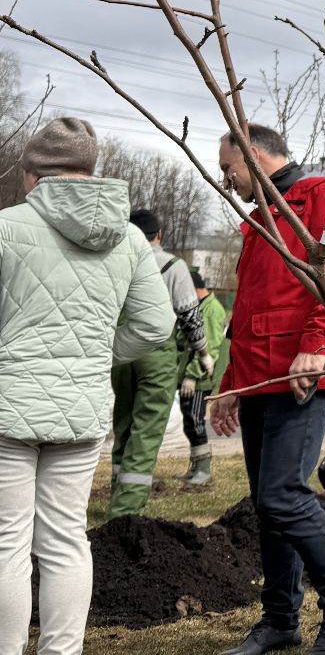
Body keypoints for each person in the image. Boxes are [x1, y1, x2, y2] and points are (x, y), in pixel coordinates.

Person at [0, 117, 173, 655]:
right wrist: (95, 357)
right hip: (81, 409)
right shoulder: (129, 240)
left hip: (7, 406)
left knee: (6, 543)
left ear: (33, 175)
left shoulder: (5, 227)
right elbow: (155, 325)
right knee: (66, 540)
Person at [210, 124, 325, 655]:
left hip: (303, 374)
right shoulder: (260, 223)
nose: (226, 178)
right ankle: (280, 620)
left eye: (229, 167)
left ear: (254, 156)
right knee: (267, 503)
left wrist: (317, 343)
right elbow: (249, 312)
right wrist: (231, 385)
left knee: (282, 495)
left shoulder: (324, 195)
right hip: (259, 379)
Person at [107, 207, 213, 517]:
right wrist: (203, 353)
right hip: (157, 352)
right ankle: (126, 511)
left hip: (121, 352)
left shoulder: (117, 262)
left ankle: (117, 490)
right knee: (147, 428)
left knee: (123, 422)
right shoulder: (173, 265)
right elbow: (190, 316)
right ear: (159, 236)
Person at [177, 267, 228, 487]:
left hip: (200, 378)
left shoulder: (212, 310)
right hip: (190, 376)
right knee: (189, 420)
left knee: (196, 420)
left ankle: (204, 469)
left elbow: (212, 347)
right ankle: (196, 465)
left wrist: (192, 375)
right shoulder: (200, 306)